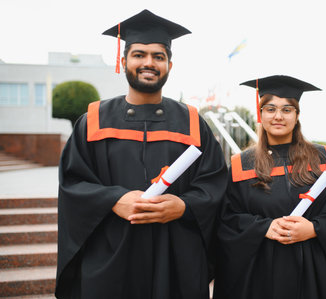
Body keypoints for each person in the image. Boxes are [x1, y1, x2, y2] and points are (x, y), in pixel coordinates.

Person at [56, 9, 228, 299]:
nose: (148, 63)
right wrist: (114, 199)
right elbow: (73, 183)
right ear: (123, 61)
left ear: (170, 65)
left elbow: (215, 184)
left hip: (175, 258)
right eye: (139, 54)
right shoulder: (95, 120)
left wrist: (184, 206)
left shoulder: (192, 122)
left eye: (158, 56)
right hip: (111, 256)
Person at [213, 75, 326, 299]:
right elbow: (226, 219)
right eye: (270, 108)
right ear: (261, 114)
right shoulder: (240, 165)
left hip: (316, 270)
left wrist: (313, 229)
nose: (278, 116)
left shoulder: (325, 158)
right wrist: (264, 227)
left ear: (297, 116)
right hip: (262, 273)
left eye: (287, 110)